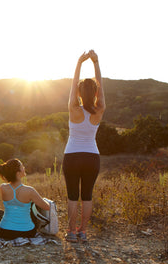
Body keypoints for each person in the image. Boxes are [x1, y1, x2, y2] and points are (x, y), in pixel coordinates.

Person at [63, 50, 106, 242]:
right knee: (87, 196)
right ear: (96, 93)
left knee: (73, 196)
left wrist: (79, 63)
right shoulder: (100, 109)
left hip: (72, 156)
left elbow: (73, 84)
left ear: (79, 93)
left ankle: (71, 231)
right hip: (91, 157)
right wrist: (96, 63)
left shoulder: (73, 107)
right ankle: (83, 231)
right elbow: (100, 84)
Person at [0, 159, 50, 240]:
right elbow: (47, 207)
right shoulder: (30, 190)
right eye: (22, 166)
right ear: (18, 173)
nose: (24, 168)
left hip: (4, 232)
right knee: (33, 206)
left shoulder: (3, 187)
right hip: (27, 232)